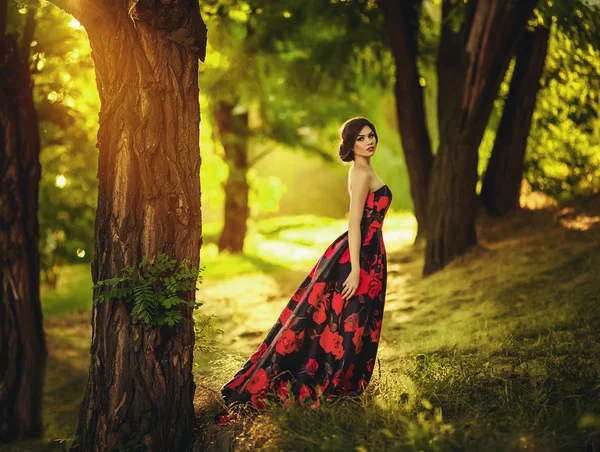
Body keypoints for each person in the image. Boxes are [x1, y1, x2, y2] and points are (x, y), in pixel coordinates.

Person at [215, 117, 392, 423]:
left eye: (371, 135)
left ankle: (341, 387)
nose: (369, 141)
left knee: (344, 321)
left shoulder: (364, 169)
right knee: (346, 323)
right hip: (359, 255)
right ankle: (333, 387)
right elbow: (354, 223)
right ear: (351, 145)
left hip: (370, 253)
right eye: (362, 138)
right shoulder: (361, 172)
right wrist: (354, 269)